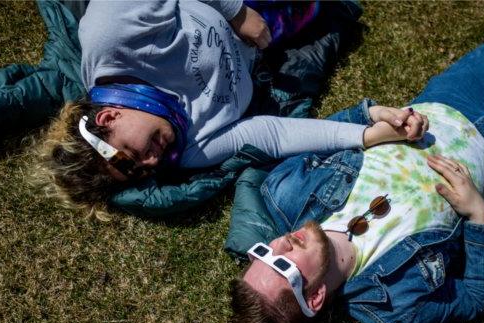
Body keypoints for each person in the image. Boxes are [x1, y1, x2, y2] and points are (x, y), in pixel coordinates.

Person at [229, 38, 484, 323]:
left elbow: (319, 135)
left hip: (442, 109)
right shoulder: (393, 308)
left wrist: (370, 119)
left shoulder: (287, 191)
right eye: (283, 265)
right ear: (314, 297)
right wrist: (477, 215)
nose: (280, 244)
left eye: (263, 252)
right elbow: (476, 298)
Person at [35, 0, 421, 219]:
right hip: (274, 31)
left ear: (107, 118)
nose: (150, 163)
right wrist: (366, 134)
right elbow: (269, 134)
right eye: (138, 173)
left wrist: (235, 12)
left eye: (131, 157)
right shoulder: (185, 150)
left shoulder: (112, 34)